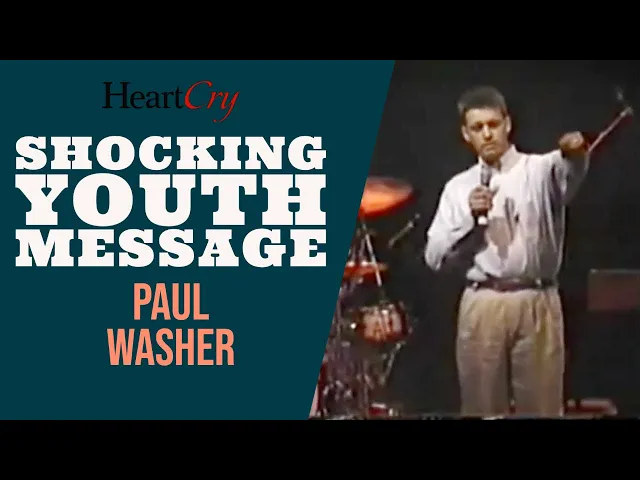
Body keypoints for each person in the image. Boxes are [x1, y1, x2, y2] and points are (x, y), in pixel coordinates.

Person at [424, 85, 589, 417]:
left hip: (535, 300)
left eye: (493, 124)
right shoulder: (458, 188)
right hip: (483, 302)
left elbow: (571, 169)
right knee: (482, 407)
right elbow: (434, 257)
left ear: (507, 124)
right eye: (477, 127)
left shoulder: (540, 170)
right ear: (466, 134)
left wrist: (576, 151)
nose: (487, 134)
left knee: (542, 408)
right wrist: (469, 220)